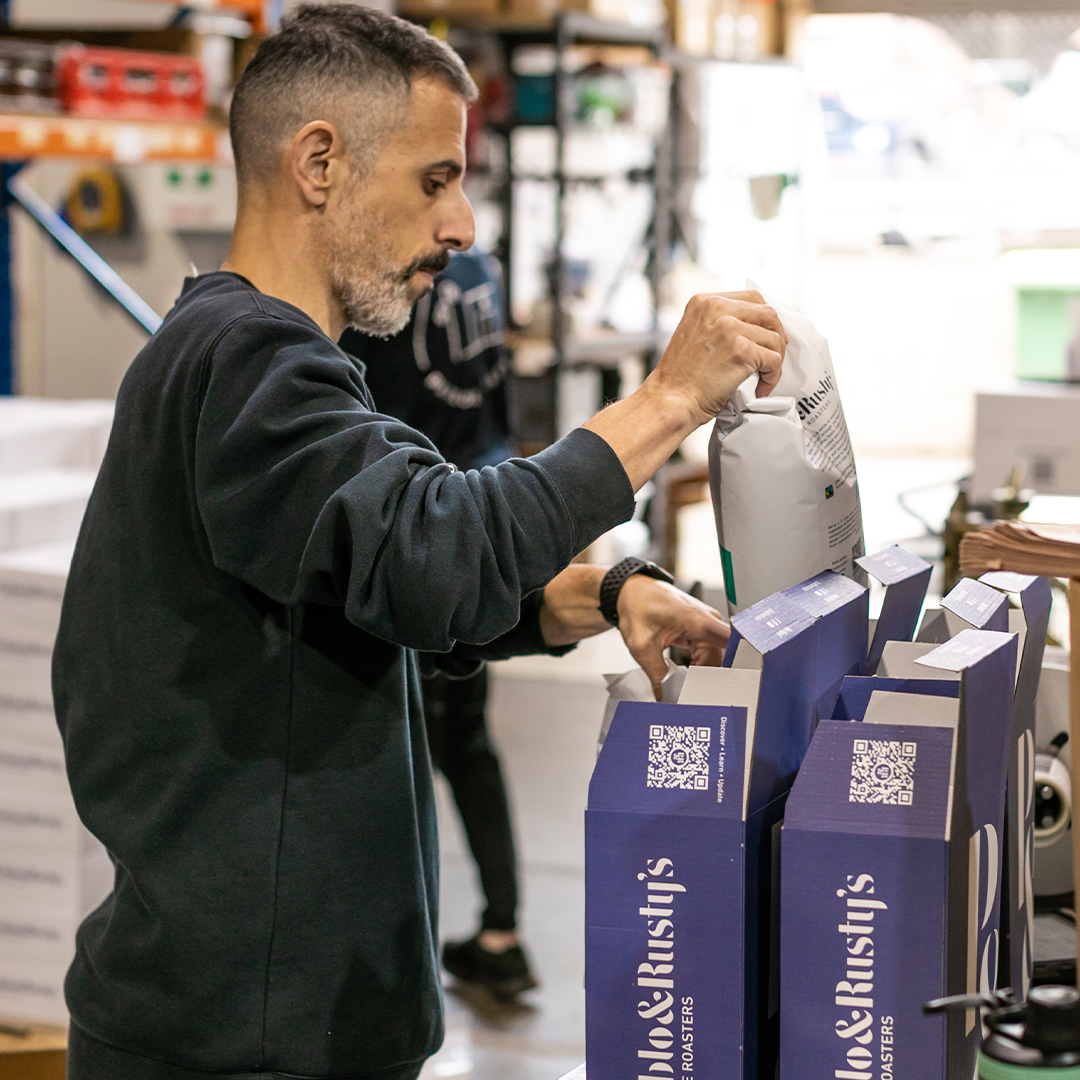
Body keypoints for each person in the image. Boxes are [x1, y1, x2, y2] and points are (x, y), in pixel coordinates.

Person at [52, 7, 786, 1080]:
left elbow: (380, 592)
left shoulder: (261, 366)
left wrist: (600, 591)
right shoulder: (248, 362)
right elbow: (433, 551)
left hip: (278, 1023)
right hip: (243, 1041)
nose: (463, 227)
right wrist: (667, 402)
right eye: (437, 179)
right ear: (319, 162)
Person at [342, 249, 534, 998]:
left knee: (406, 744)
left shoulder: (381, 288)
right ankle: (501, 932)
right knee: (465, 741)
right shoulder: (481, 268)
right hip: (479, 505)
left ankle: (402, 959)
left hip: (425, 530)